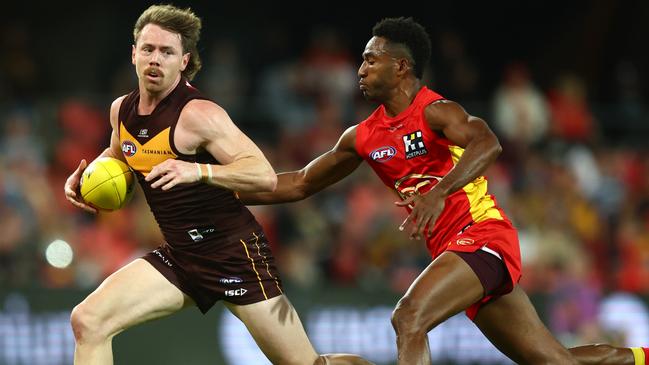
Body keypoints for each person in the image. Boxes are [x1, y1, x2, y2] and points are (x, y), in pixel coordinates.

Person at [240, 17, 648, 365]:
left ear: (400, 66)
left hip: (483, 238)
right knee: (553, 360)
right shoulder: (362, 137)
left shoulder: (436, 111)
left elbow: (488, 143)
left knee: (407, 318)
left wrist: (440, 191)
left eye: (370, 59)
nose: (359, 69)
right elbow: (299, 183)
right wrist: (225, 191)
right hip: (455, 254)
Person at [63, 4, 372, 365]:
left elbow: (263, 174)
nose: (155, 59)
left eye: (167, 52)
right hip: (180, 256)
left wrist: (198, 172)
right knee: (88, 320)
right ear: (133, 54)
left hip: (233, 255)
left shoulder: (199, 115)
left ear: (184, 60)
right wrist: (90, 176)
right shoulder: (122, 110)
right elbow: (119, 154)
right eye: (148, 49)